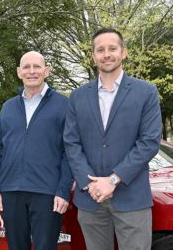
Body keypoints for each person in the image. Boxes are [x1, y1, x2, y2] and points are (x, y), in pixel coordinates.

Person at [64, 28, 162, 250]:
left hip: (131, 197)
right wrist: (89, 183)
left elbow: (149, 142)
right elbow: (71, 143)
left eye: (112, 49)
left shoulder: (145, 92)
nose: (106, 54)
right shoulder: (78, 96)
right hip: (90, 198)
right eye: (100, 50)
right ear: (93, 56)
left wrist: (113, 180)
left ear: (124, 52)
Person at [0, 51, 73, 250]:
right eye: (26, 67)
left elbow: (69, 152)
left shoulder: (64, 105)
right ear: (19, 72)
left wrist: (62, 191)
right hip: (11, 192)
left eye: (37, 66)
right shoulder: (8, 107)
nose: (32, 71)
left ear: (47, 71)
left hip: (47, 193)